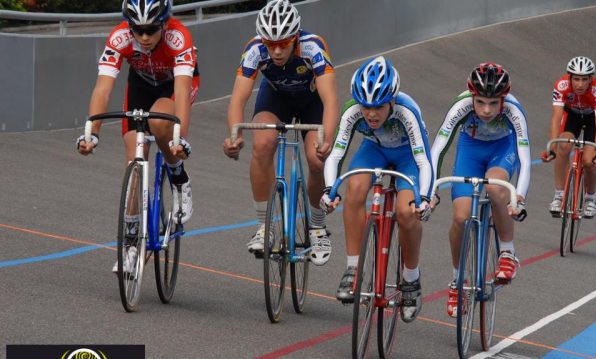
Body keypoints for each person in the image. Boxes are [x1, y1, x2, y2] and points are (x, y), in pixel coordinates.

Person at [77, 0, 199, 273]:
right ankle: (132, 242)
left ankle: (178, 174)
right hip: (141, 86)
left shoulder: (178, 37)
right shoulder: (120, 37)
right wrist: (92, 133)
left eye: (151, 29)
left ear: (165, 24)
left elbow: (181, 93)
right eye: (137, 30)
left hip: (173, 88)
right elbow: (102, 90)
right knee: (134, 156)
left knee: (159, 121)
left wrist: (179, 139)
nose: (144, 37)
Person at [222, 0, 338, 266]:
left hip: (312, 102)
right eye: (269, 44)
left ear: (295, 38)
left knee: (316, 159)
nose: (275, 51)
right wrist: (234, 135)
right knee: (262, 145)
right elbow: (237, 100)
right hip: (277, 99)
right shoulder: (254, 50)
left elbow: (330, 100)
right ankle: (265, 227)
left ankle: (318, 228)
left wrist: (327, 139)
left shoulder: (313, 47)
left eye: (283, 44)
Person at [321, 56, 434, 323]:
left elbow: (423, 161)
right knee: (355, 187)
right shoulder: (352, 112)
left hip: (408, 156)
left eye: (379, 107)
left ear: (392, 101)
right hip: (374, 151)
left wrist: (425, 198)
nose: (371, 114)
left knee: (407, 213)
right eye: (366, 107)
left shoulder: (407, 112)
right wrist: (329, 189)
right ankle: (352, 269)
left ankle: (411, 279)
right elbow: (336, 155)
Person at [430, 63, 529, 318]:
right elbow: (437, 149)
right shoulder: (461, 106)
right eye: (481, 102)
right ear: (472, 96)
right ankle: (457, 281)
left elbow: (525, 158)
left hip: (502, 150)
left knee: (496, 188)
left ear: (503, 100)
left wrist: (518, 197)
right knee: (461, 218)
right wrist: (429, 191)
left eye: (494, 103)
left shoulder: (514, 111)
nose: (486, 110)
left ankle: (507, 252)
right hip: (470, 151)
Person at [541, 56, 596, 218]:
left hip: (592, 120)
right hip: (572, 117)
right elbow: (556, 118)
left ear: (590, 79)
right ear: (569, 77)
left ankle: (590, 198)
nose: (579, 84)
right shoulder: (561, 86)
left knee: (588, 160)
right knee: (562, 146)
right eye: (576, 79)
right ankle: (559, 195)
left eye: (584, 79)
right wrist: (551, 146)